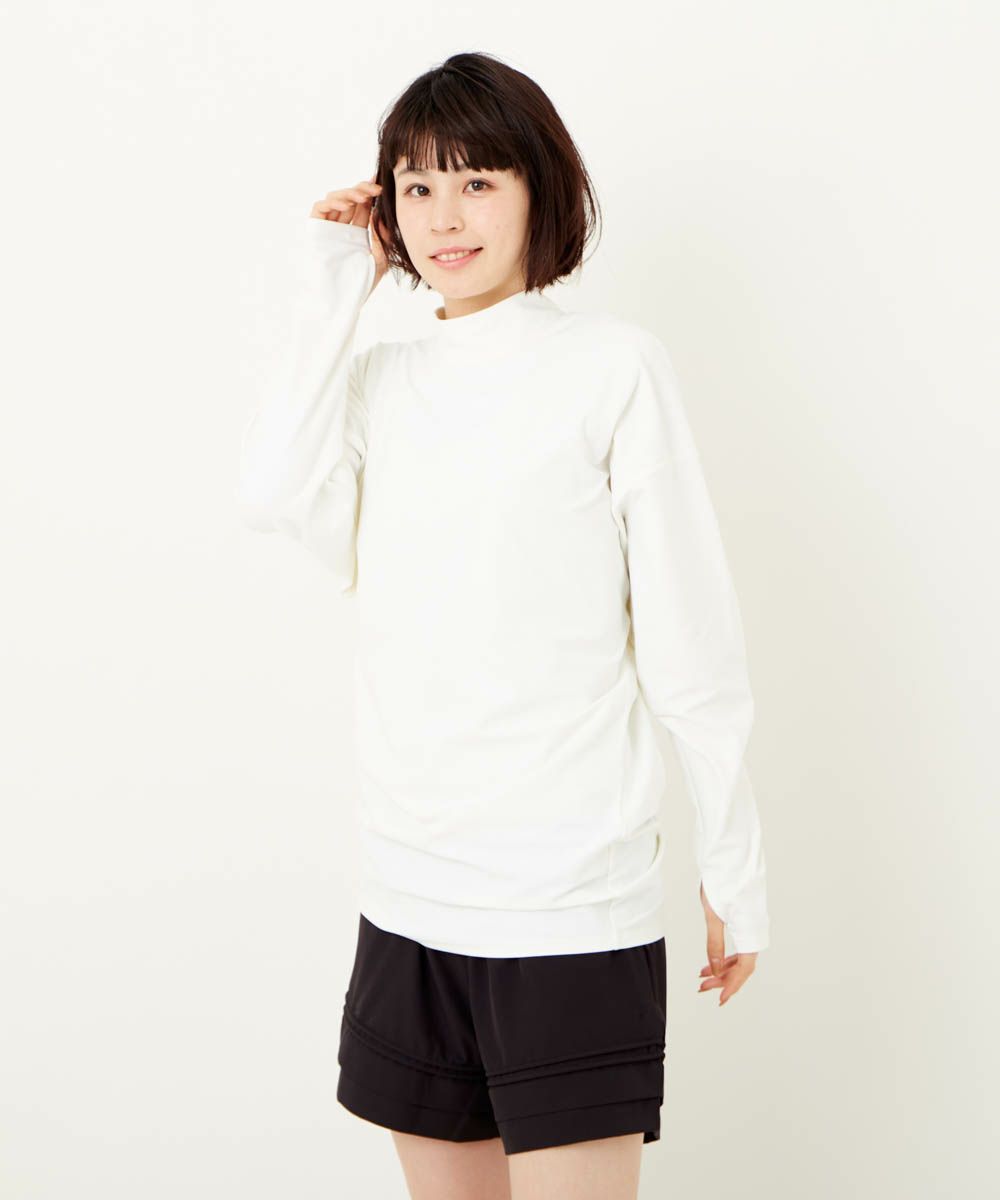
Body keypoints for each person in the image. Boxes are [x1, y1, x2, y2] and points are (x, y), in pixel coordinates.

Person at [236, 51, 770, 1200]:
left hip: (568, 909)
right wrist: (334, 283)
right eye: (415, 187)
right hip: (409, 898)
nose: (444, 216)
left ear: (539, 186)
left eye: (476, 180)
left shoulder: (611, 369)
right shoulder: (379, 381)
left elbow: (691, 640)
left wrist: (734, 861)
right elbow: (274, 492)